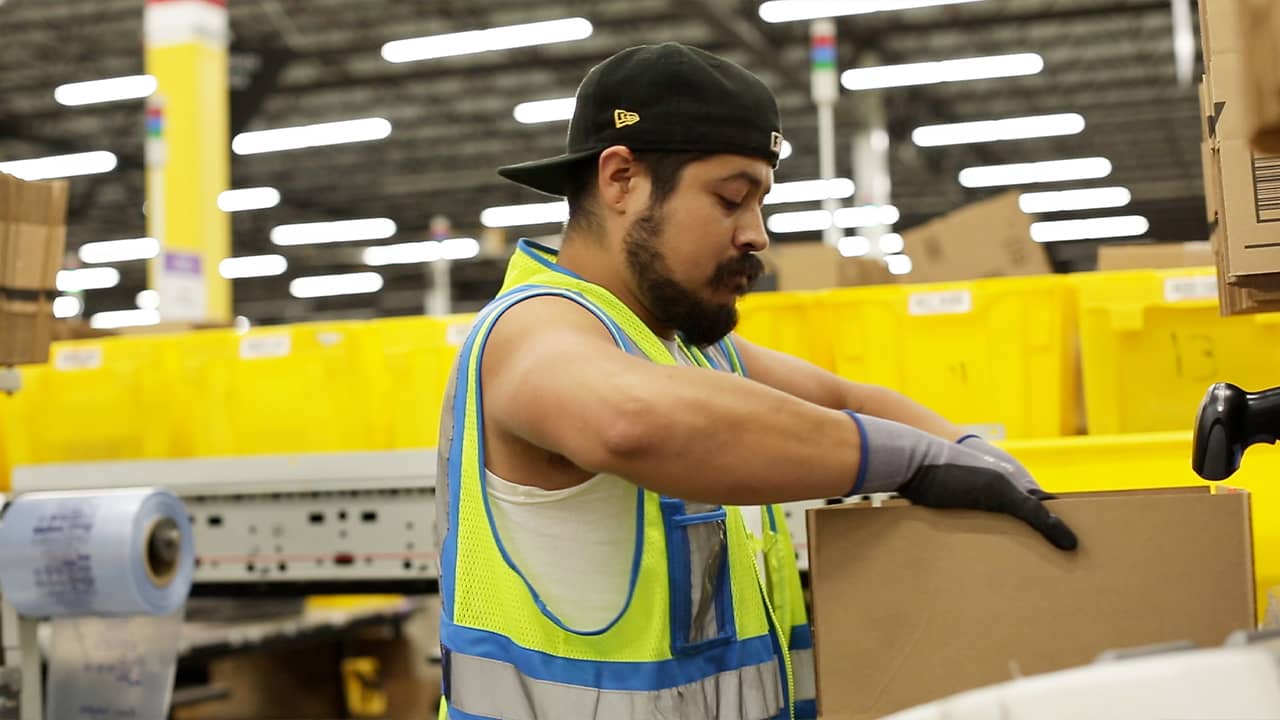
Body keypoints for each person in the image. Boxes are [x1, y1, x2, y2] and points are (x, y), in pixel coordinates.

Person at [434, 42, 1078, 720]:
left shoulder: (691, 351)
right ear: (621, 179)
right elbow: (630, 421)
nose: (757, 234)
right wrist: (910, 463)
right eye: (731, 199)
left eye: (760, 202)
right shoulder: (532, 330)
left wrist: (974, 452)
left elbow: (850, 401)